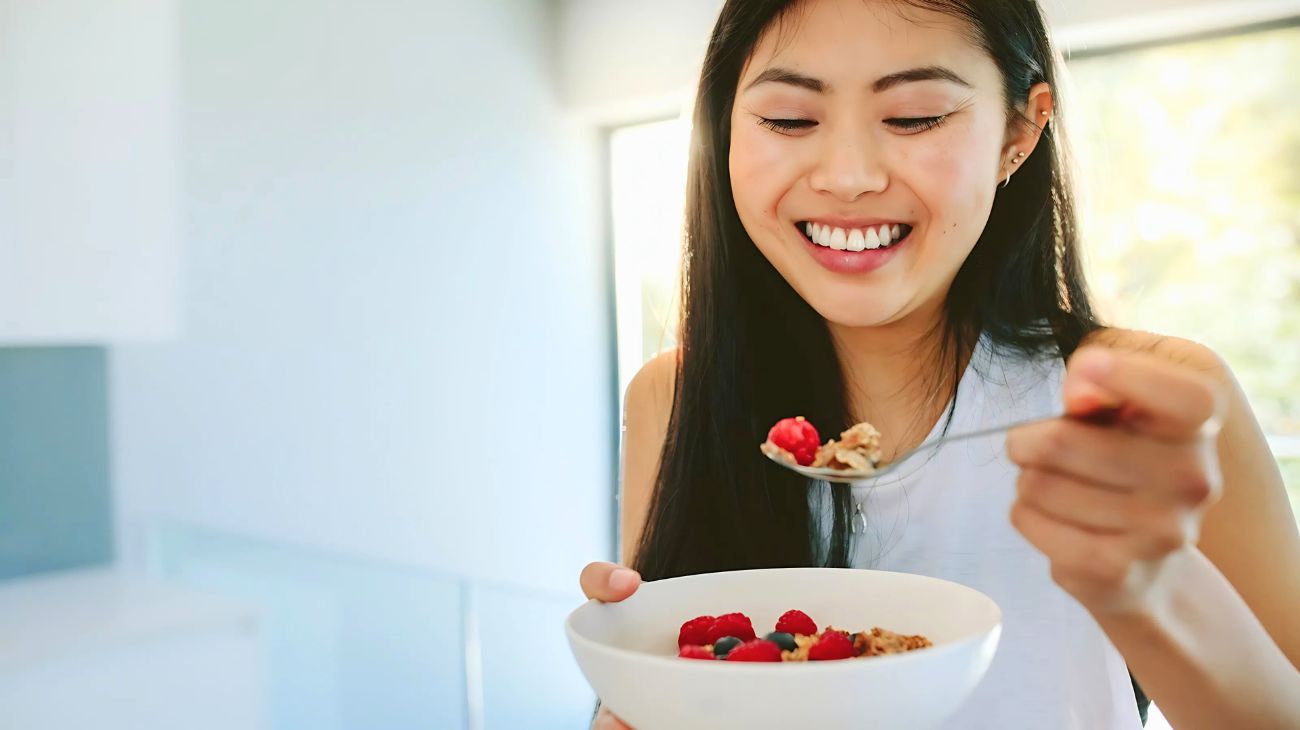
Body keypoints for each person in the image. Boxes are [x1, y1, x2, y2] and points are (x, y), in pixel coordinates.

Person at [582, 0, 1300, 727]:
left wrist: (1157, 586)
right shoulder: (672, 396)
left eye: (915, 116)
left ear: (1019, 132)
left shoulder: (1148, 402)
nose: (849, 177)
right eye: (790, 120)